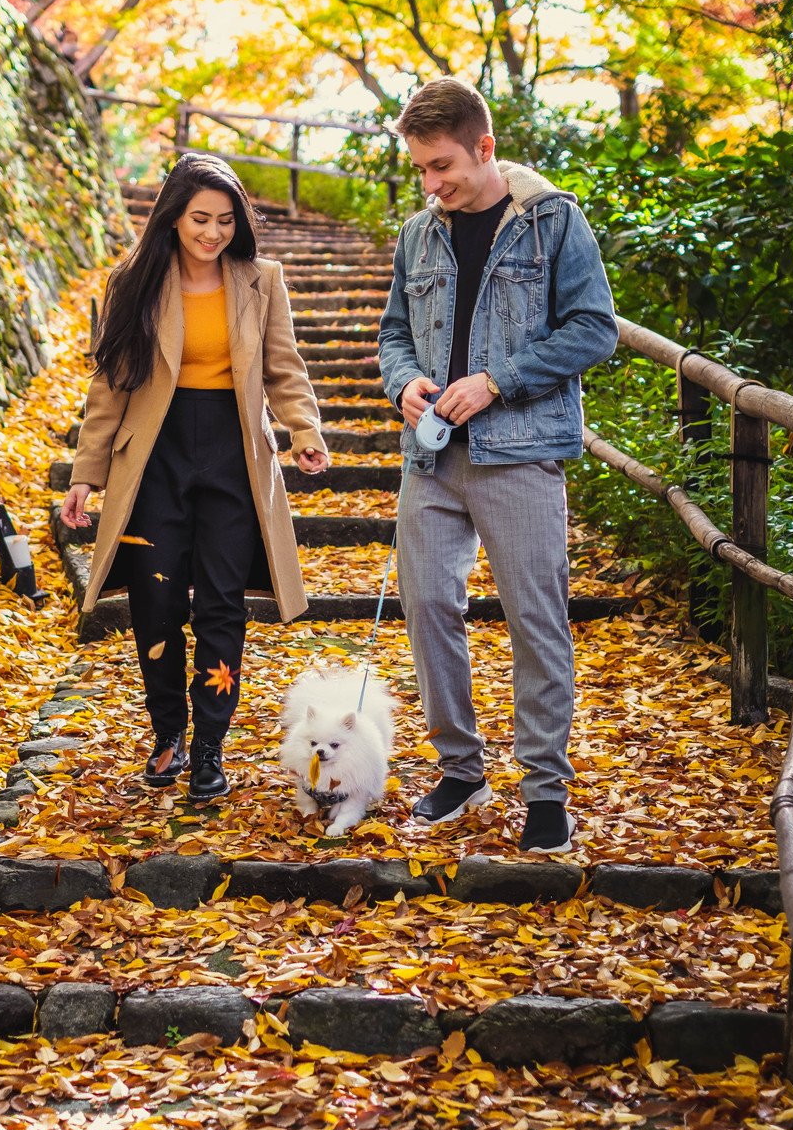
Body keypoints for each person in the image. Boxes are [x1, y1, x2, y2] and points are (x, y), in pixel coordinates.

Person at [378, 77, 618, 853]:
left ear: (485, 147)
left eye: (442, 165)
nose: (431, 183)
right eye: (420, 168)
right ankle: (461, 770)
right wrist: (404, 383)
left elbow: (595, 330)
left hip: (521, 454)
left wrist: (497, 382)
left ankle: (546, 789)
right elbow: (392, 336)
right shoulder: (418, 233)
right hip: (430, 458)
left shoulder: (554, 221)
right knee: (428, 610)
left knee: (535, 620)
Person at [61, 154, 330, 803]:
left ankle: (209, 746)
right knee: (155, 606)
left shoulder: (261, 279)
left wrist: (305, 429)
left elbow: (282, 367)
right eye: (200, 219)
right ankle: (167, 734)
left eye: (225, 221)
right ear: (173, 218)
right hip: (155, 458)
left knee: (220, 606)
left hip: (235, 460)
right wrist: (86, 473)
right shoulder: (136, 281)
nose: (213, 233)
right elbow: (110, 384)